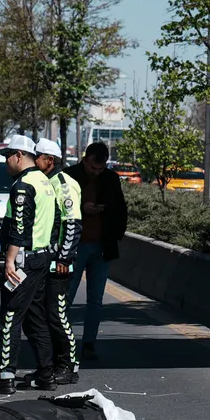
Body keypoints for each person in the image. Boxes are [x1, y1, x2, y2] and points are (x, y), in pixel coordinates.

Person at [0, 135, 58, 394]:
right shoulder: (45, 182)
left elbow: (19, 227)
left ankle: (5, 377)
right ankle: (46, 374)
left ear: (19, 155)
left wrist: (10, 260)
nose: (5, 162)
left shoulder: (24, 185)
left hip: (24, 260)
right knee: (34, 317)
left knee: (9, 317)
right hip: (41, 258)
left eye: (7, 156)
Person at [65, 143, 128, 360]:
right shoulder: (69, 176)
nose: (96, 172)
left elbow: (121, 209)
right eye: (93, 167)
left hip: (103, 246)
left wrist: (115, 235)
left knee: (96, 300)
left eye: (101, 169)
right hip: (75, 246)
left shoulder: (111, 179)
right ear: (85, 159)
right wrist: (82, 209)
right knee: (66, 296)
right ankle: (63, 343)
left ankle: (89, 343)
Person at [34, 138, 82, 384]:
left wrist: (64, 256)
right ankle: (51, 364)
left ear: (49, 161)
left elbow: (72, 223)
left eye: (38, 157)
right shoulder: (45, 182)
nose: (34, 161)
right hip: (45, 259)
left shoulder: (64, 184)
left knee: (58, 315)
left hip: (60, 262)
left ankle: (69, 365)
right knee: (45, 314)